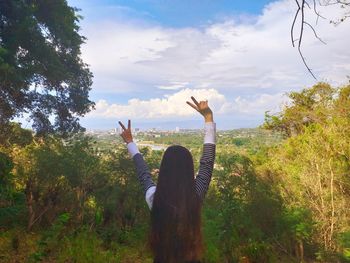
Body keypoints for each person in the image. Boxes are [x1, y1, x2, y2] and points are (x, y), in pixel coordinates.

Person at [118, 96, 216, 263]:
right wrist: (208, 118)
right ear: (188, 169)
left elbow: (143, 173)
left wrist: (130, 143)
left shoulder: (155, 198)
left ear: (164, 169)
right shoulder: (195, 196)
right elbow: (207, 163)